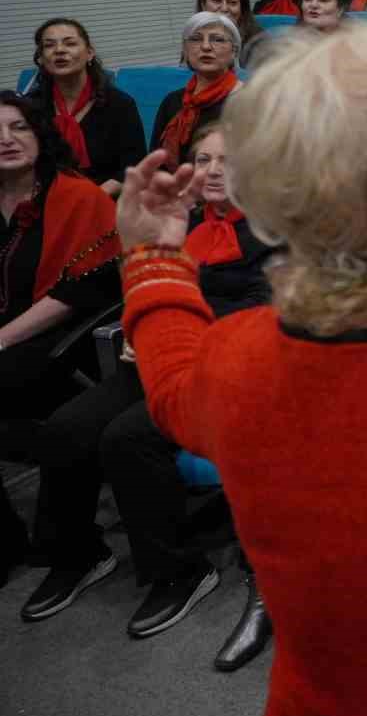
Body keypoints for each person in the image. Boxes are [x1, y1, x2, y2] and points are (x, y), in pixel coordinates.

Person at [17, 125, 271, 654]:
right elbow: (139, 284)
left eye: (229, 158)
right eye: (202, 159)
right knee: (64, 430)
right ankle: (78, 554)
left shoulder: (277, 232)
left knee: (126, 438)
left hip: (226, 368)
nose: (214, 169)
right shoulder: (188, 224)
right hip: (157, 355)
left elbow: (259, 316)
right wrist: (141, 328)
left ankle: (181, 571)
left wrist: (168, 329)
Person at [0, 91, 121, 592]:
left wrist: (1, 338)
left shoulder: (77, 196)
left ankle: (65, 546)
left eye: (17, 128)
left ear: (39, 135)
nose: (5, 140)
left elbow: (83, 290)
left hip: (61, 339)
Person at [25, 19, 144, 192]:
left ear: (89, 53)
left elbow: (134, 166)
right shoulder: (31, 107)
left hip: (105, 198)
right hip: (47, 198)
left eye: (70, 43)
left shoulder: (119, 104)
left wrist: (91, 199)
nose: (59, 50)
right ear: (41, 59)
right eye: (49, 46)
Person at [152, 13, 244, 164]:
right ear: (185, 50)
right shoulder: (172, 101)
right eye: (196, 39)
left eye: (217, 39)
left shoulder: (249, 101)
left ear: (233, 51)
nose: (206, 46)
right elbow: (155, 163)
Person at [197, 0, 263, 61]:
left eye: (232, 2)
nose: (224, 8)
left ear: (242, 8)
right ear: (203, 5)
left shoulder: (257, 41)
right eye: (216, 0)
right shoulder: (194, 37)